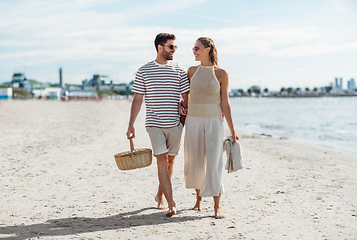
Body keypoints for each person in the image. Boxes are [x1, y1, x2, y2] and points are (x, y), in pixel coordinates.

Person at [126, 33, 190, 217]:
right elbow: (138, 99)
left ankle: (160, 194)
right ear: (160, 47)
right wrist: (131, 124)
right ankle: (172, 204)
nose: (174, 50)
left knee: (170, 161)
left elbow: (186, 97)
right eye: (171, 47)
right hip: (154, 123)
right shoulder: (144, 71)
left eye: (175, 47)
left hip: (175, 124)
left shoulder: (179, 70)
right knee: (161, 161)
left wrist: (182, 105)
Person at [179, 37, 239, 219]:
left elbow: (225, 104)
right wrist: (182, 105)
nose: (194, 51)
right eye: (193, 48)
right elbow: (185, 98)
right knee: (195, 161)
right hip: (193, 120)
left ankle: (217, 206)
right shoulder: (190, 71)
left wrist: (233, 130)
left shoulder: (221, 74)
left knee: (214, 163)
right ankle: (198, 200)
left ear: (207, 49)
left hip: (214, 121)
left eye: (197, 48)